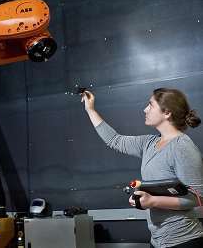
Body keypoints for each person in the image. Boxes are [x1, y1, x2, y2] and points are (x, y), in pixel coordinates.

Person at [81, 88, 203, 248]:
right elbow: (114, 140)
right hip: (157, 241)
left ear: (167, 113)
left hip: (184, 240)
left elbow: (198, 198)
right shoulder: (149, 143)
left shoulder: (183, 147)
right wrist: (90, 109)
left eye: (150, 105)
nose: (145, 109)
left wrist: (153, 201)